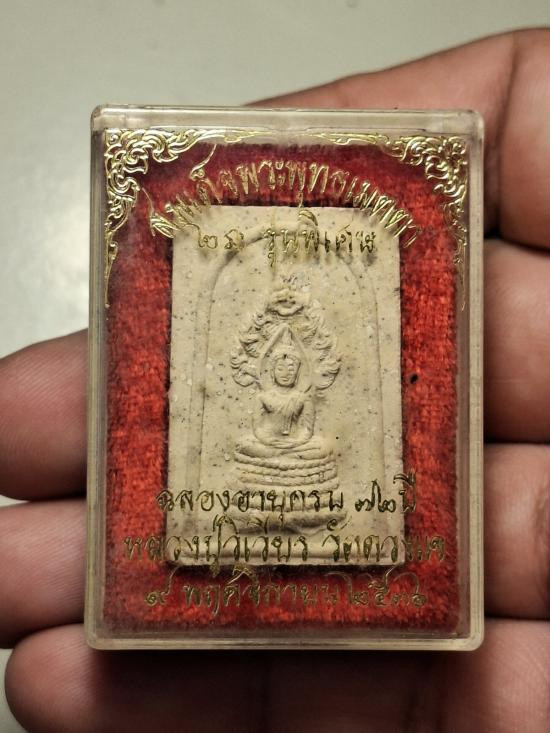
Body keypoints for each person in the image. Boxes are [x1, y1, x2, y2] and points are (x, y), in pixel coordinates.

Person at [1, 28, 549, 733]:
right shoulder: (262, 383)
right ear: (263, 361)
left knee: (320, 451)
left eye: (294, 359)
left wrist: (305, 437)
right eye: (278, 359)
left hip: (309, 468)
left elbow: (312, 434)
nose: (286, 365)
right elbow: (263, 433)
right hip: (261, 462)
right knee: (257, 452)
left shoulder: (310, 378)